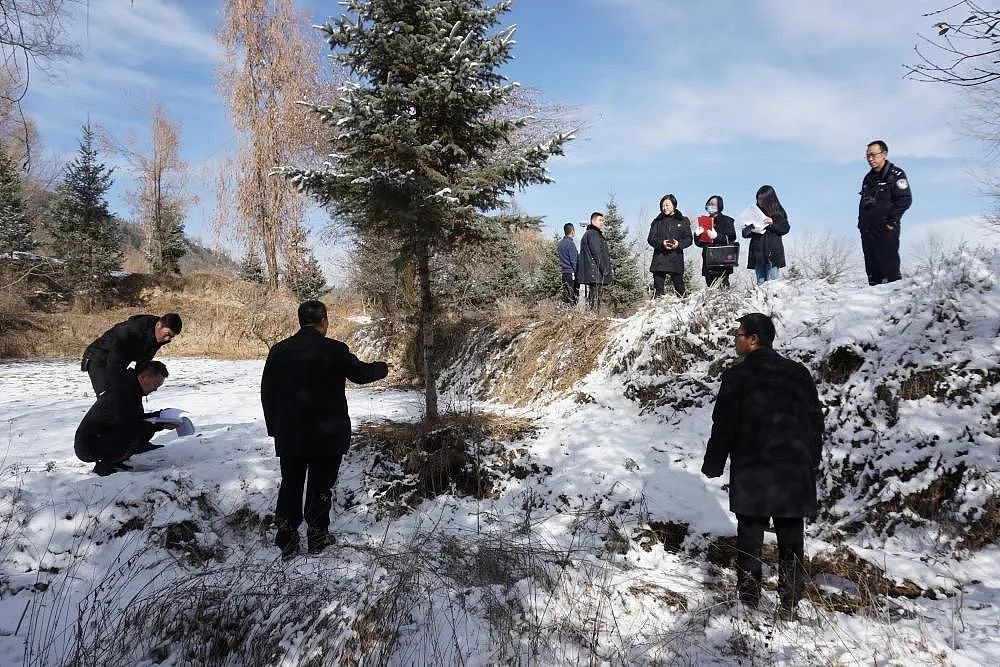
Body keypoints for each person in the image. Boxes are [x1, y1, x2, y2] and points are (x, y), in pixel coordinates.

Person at [701, 313, 824, 621]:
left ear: (753, 339)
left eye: (738, 335)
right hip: (793, 471)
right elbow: (815, 422)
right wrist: (812, 459)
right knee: (792, 539)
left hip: (753, 468)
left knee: (750, 537)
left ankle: (749, 600)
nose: (735, 340)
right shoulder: (798, 373)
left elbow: (724, 425)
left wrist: (714, 464)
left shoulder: (738, 376)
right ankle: (789, 605)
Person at [261, 300, 389, 558]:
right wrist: (382, 368)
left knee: (291, 484)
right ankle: (318, 537)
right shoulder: (334, 349)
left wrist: (275, 428)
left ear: (300, 321)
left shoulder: (279, 351)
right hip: (326, 435)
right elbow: (361, 374)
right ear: (324, 322)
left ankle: (286, 540)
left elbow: (267, 393)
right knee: (320, 487)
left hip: (290, 434)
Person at [74, 360, 178, 476]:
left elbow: (134, 418)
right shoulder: (123, 393)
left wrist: (160, 415)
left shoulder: (132, 389)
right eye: (155, 385)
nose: (155, 389)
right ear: (143, 377)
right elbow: (129, 424)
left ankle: (114, 461)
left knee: (140, 430)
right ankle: (105, 464)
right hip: (88, 445)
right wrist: (160, 425)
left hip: (100, 437)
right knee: (134, 432)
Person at [82, 313, 182, 395]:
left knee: (130, 392)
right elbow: (114, 365)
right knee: (109, 397)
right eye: (167, 334)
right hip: (99, 358)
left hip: (119, 361)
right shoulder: (131, 331)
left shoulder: (156, 335)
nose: (168, 339)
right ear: (159, 325)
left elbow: (143, 361)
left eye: (171, 337)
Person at [858, 140, 912, 286]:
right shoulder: (868, 178)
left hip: (886, 229)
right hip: (868, 231)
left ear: (884, 154)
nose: (870, 159)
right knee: (872, 272)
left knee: (890, 271)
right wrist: (861, 225)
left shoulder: (895, 175)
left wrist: (891, 221)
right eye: (867, 156)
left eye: (873, 155)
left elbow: (905, 199)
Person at [647, 194, 693, 297]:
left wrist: (678, 244)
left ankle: (684, 309)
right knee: (658, 292)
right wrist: (662, 243)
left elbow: (689, 239)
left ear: (674, 205)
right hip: (659, 259)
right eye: (663, 206)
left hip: (675, 258)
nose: (665, 208)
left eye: (667, 205)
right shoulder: (657, 221)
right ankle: (658, 310)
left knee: (680, 289)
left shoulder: (683, 220)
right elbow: (651, 239)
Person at [742, 185, 789, 285]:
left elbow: (785, 228)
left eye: (763, 199)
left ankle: (773, 300)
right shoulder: (754, 212)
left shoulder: (778, 212)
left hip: (772, 254)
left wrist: (772, 223)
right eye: (758, 199)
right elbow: (744, 233)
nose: (760, 202)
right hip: (758, 253)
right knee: (760, 283)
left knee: (772, 283)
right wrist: (750, 228)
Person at [694, 195, 737, 287]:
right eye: (709, 204)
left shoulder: (727, 220)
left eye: (713, 204)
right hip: (708, 260)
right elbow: (700, 243)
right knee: (710, 288)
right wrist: (697, 236)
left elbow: (731, 237)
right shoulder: (704, 221)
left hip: (722, 261)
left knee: (723, 288)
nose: (710, 206)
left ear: (719, 206)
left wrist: (717, 236)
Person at [577, 211, 613, 311]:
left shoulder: (589, 233)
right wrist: (605, 269)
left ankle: (591, 319)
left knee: (593, 299)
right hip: (596, 273)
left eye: (603, 221)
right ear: (593, 221)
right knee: (595, 300)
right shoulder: (594, 234)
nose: (602, 223)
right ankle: (593, 321)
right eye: (600, 220)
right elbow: (597, 253)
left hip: (592, 273)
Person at [557, 222, 579, 304]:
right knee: (573, 294)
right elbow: (574, 261)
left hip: (563, 272)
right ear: (572, 231)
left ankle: (566, 312)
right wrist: (577, 274)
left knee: (566, 294)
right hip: (571, 273)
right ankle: (572, 312)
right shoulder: (570, 244)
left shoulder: (560, 244)